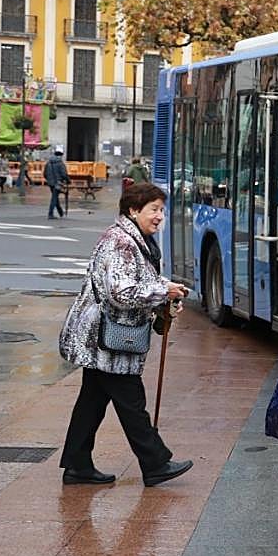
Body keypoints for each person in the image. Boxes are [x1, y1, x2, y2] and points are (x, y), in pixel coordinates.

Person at [57, 182, 193, 487]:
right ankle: (155, 462)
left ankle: (78, 464)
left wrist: (166, 290)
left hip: (107, 336)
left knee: (91, 402)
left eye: (162, 210)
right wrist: (162, 291)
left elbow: (139, 279)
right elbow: (121, 292)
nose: (160, 216)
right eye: (154, 209)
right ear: (133, 210)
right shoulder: (121, 242)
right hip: (108, 338)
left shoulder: (134, 240)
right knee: (132, 403)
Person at [44, 147, 69, 219]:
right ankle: (50, 213)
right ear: (61, 155)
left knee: (55, 197)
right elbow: (64, 174)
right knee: (54, 198)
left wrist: (49, 179)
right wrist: (68, 180)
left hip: (50, 183)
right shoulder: (60, 163)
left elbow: (45, 174)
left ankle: (60, 211)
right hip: (58, 183)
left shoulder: (48, 163)